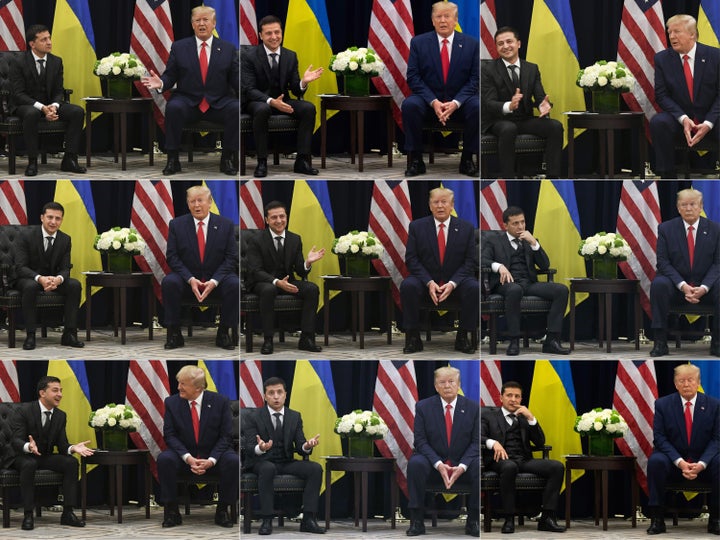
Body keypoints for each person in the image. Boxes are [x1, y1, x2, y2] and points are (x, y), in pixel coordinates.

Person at [141, 5, 239, 176]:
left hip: (218, 101)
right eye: (197, 20)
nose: (202, 24)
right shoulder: (179, 47)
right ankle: (173, 159)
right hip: (188, 101)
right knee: (173, 107)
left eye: (206, 20)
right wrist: (162, 83)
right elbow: (170, 75)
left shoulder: (228, 49)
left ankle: (227, 158)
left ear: (214, 23)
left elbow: (236, 79)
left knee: (236, 108)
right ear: (192, 24)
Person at [4, 376, 94, 530]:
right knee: (29, 463)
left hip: (44, 456)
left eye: (61, 390)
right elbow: (15, 441)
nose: (60, 394)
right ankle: (28, 515)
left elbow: (62, 444)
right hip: (21, 455)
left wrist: (73, 448)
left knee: (71, 462)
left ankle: (68, 513)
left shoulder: (60, 415)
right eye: (55, 390)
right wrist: (28, 446)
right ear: (42, 393)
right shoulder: (24, 410)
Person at [401, 1, 479, 177]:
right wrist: (434, 101)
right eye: (439, 16)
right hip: (428, 102)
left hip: (460, 103)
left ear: (455, 20)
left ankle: (467, 159)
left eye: (447, 16)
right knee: (409, 105)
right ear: (432, 20)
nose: (443, 20)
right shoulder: (418, 43)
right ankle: (416, 160)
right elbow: (413, 77)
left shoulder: (471, 44)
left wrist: (456, 103)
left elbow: (475, 79)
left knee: (477, 107)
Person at [480, 205, 570, 356]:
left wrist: (534, 243)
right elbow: (481, 259)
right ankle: (514, 340)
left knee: (561, 290)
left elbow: (544, 265)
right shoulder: (493, 240)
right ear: (505, 225)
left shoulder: (529, 240)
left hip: (528, 283)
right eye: (515, 223)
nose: (520, 226)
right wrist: (499, 266)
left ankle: (552, 341)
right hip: (505, 284)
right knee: (514, 289)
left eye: (522, 222)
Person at [241, 15, 324, 177]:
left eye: (277, 32)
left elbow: (295, 90)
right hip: (256, 101)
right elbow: (249, 89)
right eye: (269, 33)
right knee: (263, 109)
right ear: (261, 35)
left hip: (283, 100)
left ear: (282, 33)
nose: (274, 37)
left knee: (308, 108)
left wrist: (303, 82)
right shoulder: (249, 56)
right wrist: (272, 102)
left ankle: (301, 160)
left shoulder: (290, 56)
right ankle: (262, 162)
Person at [157, 365, 238, 529]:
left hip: (214, 455)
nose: (178, 387)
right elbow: (170, 435)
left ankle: (222, 510)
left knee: (233, 461)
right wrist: (188, 458)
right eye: (179, 383)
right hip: (185, 456)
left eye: (183, 384)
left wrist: (211, 460)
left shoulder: (220, 402)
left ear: (198, 388)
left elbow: (226, 436)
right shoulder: (172, 402)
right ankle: (172, 511)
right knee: (164, 459)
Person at [400, 187, 478, 354]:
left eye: (444, 202)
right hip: (425, 281)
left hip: (457, 281)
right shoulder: (417, 227)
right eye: (436, 202)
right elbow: (411, 259)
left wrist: (452, 283)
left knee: (473, 287)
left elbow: (470, 262)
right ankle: (413, 337)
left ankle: (463, 336)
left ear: (452, 205)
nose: (440, 206)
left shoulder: (466, 228)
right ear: (430, 205)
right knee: (408, 286)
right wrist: (429, 282)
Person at [481, 381, 566, 534]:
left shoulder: (523, 417)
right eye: (509, 395)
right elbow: (476, 435)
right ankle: (508, 519)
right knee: (509, 467)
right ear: (501, 397)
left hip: (524, 460)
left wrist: (531, 418)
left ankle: (547, 518)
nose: (513, 399)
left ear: (521, 399)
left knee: (557, 467)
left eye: (517, 396)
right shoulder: (489, 415)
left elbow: (540, 442)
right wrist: (492, 443)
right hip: (499, 461)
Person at [243, 376, 325, 535]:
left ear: (285, 395)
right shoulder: (253, 416)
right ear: (265, 396)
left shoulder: (294, 416)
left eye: (279, 392)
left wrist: (306, 446)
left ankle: (308, 519)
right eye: (271, 393)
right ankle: (267, 520)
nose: (275, 396)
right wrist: (260, 447)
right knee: (267, 468)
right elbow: (249, 447)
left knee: (315, 469)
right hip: (262, 461)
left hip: (286, 461)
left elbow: (300, 445)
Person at [162, 185, 239, 350]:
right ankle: (174, 333)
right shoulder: (177, 225)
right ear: (188, 204)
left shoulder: (225, 225)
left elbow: (231, 258)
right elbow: (172, 257)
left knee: (234, 284)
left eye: (200, 200)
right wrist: (190, 279)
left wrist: (214, 280)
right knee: (169, 282)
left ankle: (224, 332)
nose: (197, 205)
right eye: (192, 201)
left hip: (217, 279)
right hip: (187, 279)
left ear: (210, 202)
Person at [645, 364, 719, 535]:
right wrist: (680, 462)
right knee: (656, 461)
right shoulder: (663, 404)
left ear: (698, 382)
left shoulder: (714, 405)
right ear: (675, 383)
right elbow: (660, 438)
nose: (686, 384)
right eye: (681, 381)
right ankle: (657, 519)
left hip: (704, 463)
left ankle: (716, 520)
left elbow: (717, 439)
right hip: (673, 462)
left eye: (690, 380)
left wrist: (701, 464)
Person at [481, 26, 563, 179]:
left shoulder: (531, 68)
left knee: (555, 126)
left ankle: (553, 176)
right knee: (508, 128)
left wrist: (543, 105)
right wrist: (508, 106)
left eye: (509, 41)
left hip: (524, 119)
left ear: (518, 43)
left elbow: (540, 96)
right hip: (498, 120)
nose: (505, 46)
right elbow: (488, 103)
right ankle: (508, 177)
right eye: (500, 43)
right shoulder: (488, 69)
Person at [406, 366, 479, 537]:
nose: (447, 386)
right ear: (435, 386)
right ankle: (416, 520)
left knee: (477, 465)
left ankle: (473, 521)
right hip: (433, 464)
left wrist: (462, 466)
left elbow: (476, 443)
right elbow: (420, 441)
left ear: (459, 384)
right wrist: (438, 464)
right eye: (442, 382)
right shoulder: (423, 407)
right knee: (415, 463)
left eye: (451, 381)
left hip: (462, 464)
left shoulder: (473, 408)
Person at [245, 200, 325, 355]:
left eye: (282, 216)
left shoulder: (295, 239)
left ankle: (307, 338)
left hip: (287, 281)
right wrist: (276, 282)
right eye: (274, 217)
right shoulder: (257, 240)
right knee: (268, 290)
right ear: (267, 220)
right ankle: (268, 340)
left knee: (312, 289)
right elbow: (255, 270)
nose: (279, 221)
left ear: (286, 217)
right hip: (263, 282)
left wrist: (307, 263)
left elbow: (301, 271)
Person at [649, 188, 720, 357]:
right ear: (678, 207)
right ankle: (660, 342)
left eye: (692, 204)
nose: (688, 208)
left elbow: (718, 263)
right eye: (684, 205)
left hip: (706, 287)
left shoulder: (715, 229)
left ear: (701, 206)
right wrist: (682, 285)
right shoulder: (666, 229)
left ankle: (717, 343)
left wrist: (704, 287)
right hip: (676, 287)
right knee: (658, 284)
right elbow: (663, 262)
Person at [9, 24, 86, 177]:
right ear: (32, 44)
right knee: (31, 114)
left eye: (49, 38)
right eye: (44, 40)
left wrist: (54, 106)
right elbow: (18, 94)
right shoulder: (19, 62)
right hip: (26, 104)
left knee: (77, 111)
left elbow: (58, 90)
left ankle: (69, 159)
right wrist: (42, 108)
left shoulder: (56, 61)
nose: (49, 42)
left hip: (50, 103)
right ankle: (32, 161)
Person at [650, 14, 720, 178]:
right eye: (669, 32)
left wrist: (709, 122)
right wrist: (683, 118)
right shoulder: (662, 59)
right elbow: (661, 95)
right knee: (658, 123)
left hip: (712, 117)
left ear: (692, 34)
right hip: (679, 118)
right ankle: (666, 174)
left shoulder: (715, 57)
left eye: (677, 31)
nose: (672, 36)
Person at [14, 202, 84, 351]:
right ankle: (31, 335)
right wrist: (40, 278)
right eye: (50, 217)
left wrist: (58, 279)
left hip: (52, 279)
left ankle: (69, 334)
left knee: (74, 285)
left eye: (57, 218)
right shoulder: (26, 236)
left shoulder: (65, 239)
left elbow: (65, 268)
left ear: (62, 220)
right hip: (29, 278)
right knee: (31, 286)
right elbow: (21, 267)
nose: (53, 222)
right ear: (42, 217)